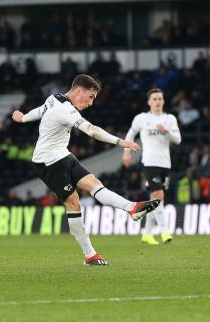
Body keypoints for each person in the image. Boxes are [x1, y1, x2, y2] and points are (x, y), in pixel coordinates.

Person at [12, 74, 159, 266]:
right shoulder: (65, 110)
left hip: (63, 155)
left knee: (95, 185)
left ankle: (131, 208)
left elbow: (41, 110)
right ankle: (90, 255)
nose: (91, 103)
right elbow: (92, 130)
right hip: (47, 162)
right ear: (78, 91)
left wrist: (23, 118)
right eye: (90, 97)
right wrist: (120, 141)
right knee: (73, 202)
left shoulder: (53, 98)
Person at [122, 88, 181, 245]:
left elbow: (178, 140)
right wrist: (126, 152)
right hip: (149, 162)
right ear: (149, 102)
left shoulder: (170, 119)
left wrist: (167, 131)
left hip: (165, 164)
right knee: (158, 194)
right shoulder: (142, 118)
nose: (157, 101)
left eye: (160, 99)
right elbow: (130, 135)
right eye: (154, 99)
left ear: (163, 101)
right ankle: (164, 230)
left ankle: (147, 233)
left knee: (155, 199)